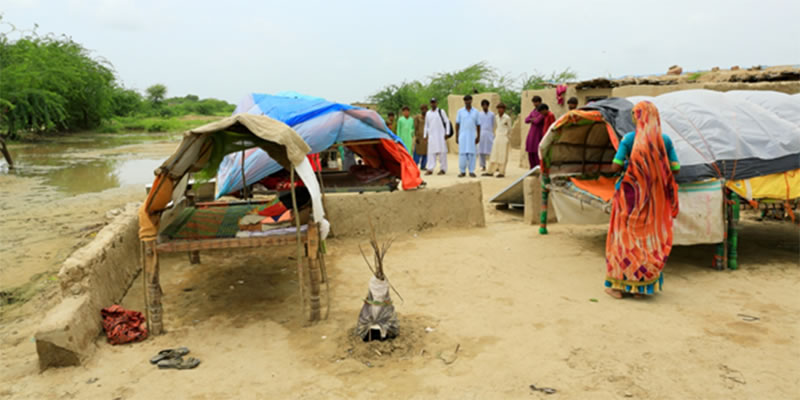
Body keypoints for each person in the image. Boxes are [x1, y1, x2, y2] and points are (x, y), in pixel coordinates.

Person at [605, 101, 680, 300]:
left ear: (637, 117)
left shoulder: (629, 139)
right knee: (647, 240)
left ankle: (618, 287)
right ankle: (641, 288)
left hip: (629, 199)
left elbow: (616, 166)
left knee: (624, 240)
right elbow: (675, 168)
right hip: (655, 199)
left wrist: (633, 165)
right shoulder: (665, 140)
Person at [455, 95, 481, 177]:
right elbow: (457, 124)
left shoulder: (476, 112)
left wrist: (478, 136)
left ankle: (471, 171)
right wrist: (456, 136)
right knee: (462, 154)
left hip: (472, 136)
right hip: (463, 136)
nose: (467, 101)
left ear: (471, 100)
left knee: (472, 154)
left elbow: (478, 125)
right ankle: (462, 171)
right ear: (464, 101)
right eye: (466, 100)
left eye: (469, 100)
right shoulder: (460, 112)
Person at [424, 98, 451, 175]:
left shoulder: (441, 112)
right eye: (432, 102)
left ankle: (443, 169)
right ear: (430, 104)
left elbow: (447, 122)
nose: (433, 104)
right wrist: (425, 135)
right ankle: (430, 169)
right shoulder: (428, 113)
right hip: (432, 136)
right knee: (431, 153)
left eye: (434, 102)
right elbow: (426, 125)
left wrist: (447, 133)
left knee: (442, 153)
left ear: (437, 103)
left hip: (441, 136)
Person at [484, 102, 512, 177]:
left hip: (504, 137)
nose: (500, 110)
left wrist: (507, 138)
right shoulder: (496, 117)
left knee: (502, 155)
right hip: (497, 137)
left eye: (501, 108)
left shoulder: (507, 118)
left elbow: (509, 129)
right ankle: (490, 171)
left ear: (504, 109)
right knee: (494, 154)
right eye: (499, 108)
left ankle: (501, 172)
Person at [524, 96, 543, 168]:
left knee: (536, 152)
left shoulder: (542, 111)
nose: (535, 104)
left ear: (540, 102)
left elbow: (537, 121)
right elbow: (526, 120)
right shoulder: (533, 111)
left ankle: (538, 169)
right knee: (530, 151)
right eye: (534, 102)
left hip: (538, 134)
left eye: (536, 102)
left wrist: (532, 119)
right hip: (531, 134)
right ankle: (532, 169)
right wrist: (533, 119)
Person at [477, 99, 495, 171]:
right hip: (481, 133)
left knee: (491, 150)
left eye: (486, 105)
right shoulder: (479, 114)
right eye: (483, 105)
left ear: (488, 106)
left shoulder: (492, 114)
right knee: (481, 151)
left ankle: (492, 165)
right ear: (482, 106)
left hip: (489, 133)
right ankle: (483, 165)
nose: (485, 106)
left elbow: (493, 124)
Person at [413, 104, 429, 171]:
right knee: (417, 152)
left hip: (427, 137)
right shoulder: (417, 117)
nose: (424, 110)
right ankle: (415, 165)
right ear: (421, 109)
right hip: (419, 137)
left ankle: (423, 166)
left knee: (426, 152)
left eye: (425, 109)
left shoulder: (429, 117)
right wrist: (416, 137)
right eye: (423, 109)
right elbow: (415, 127)